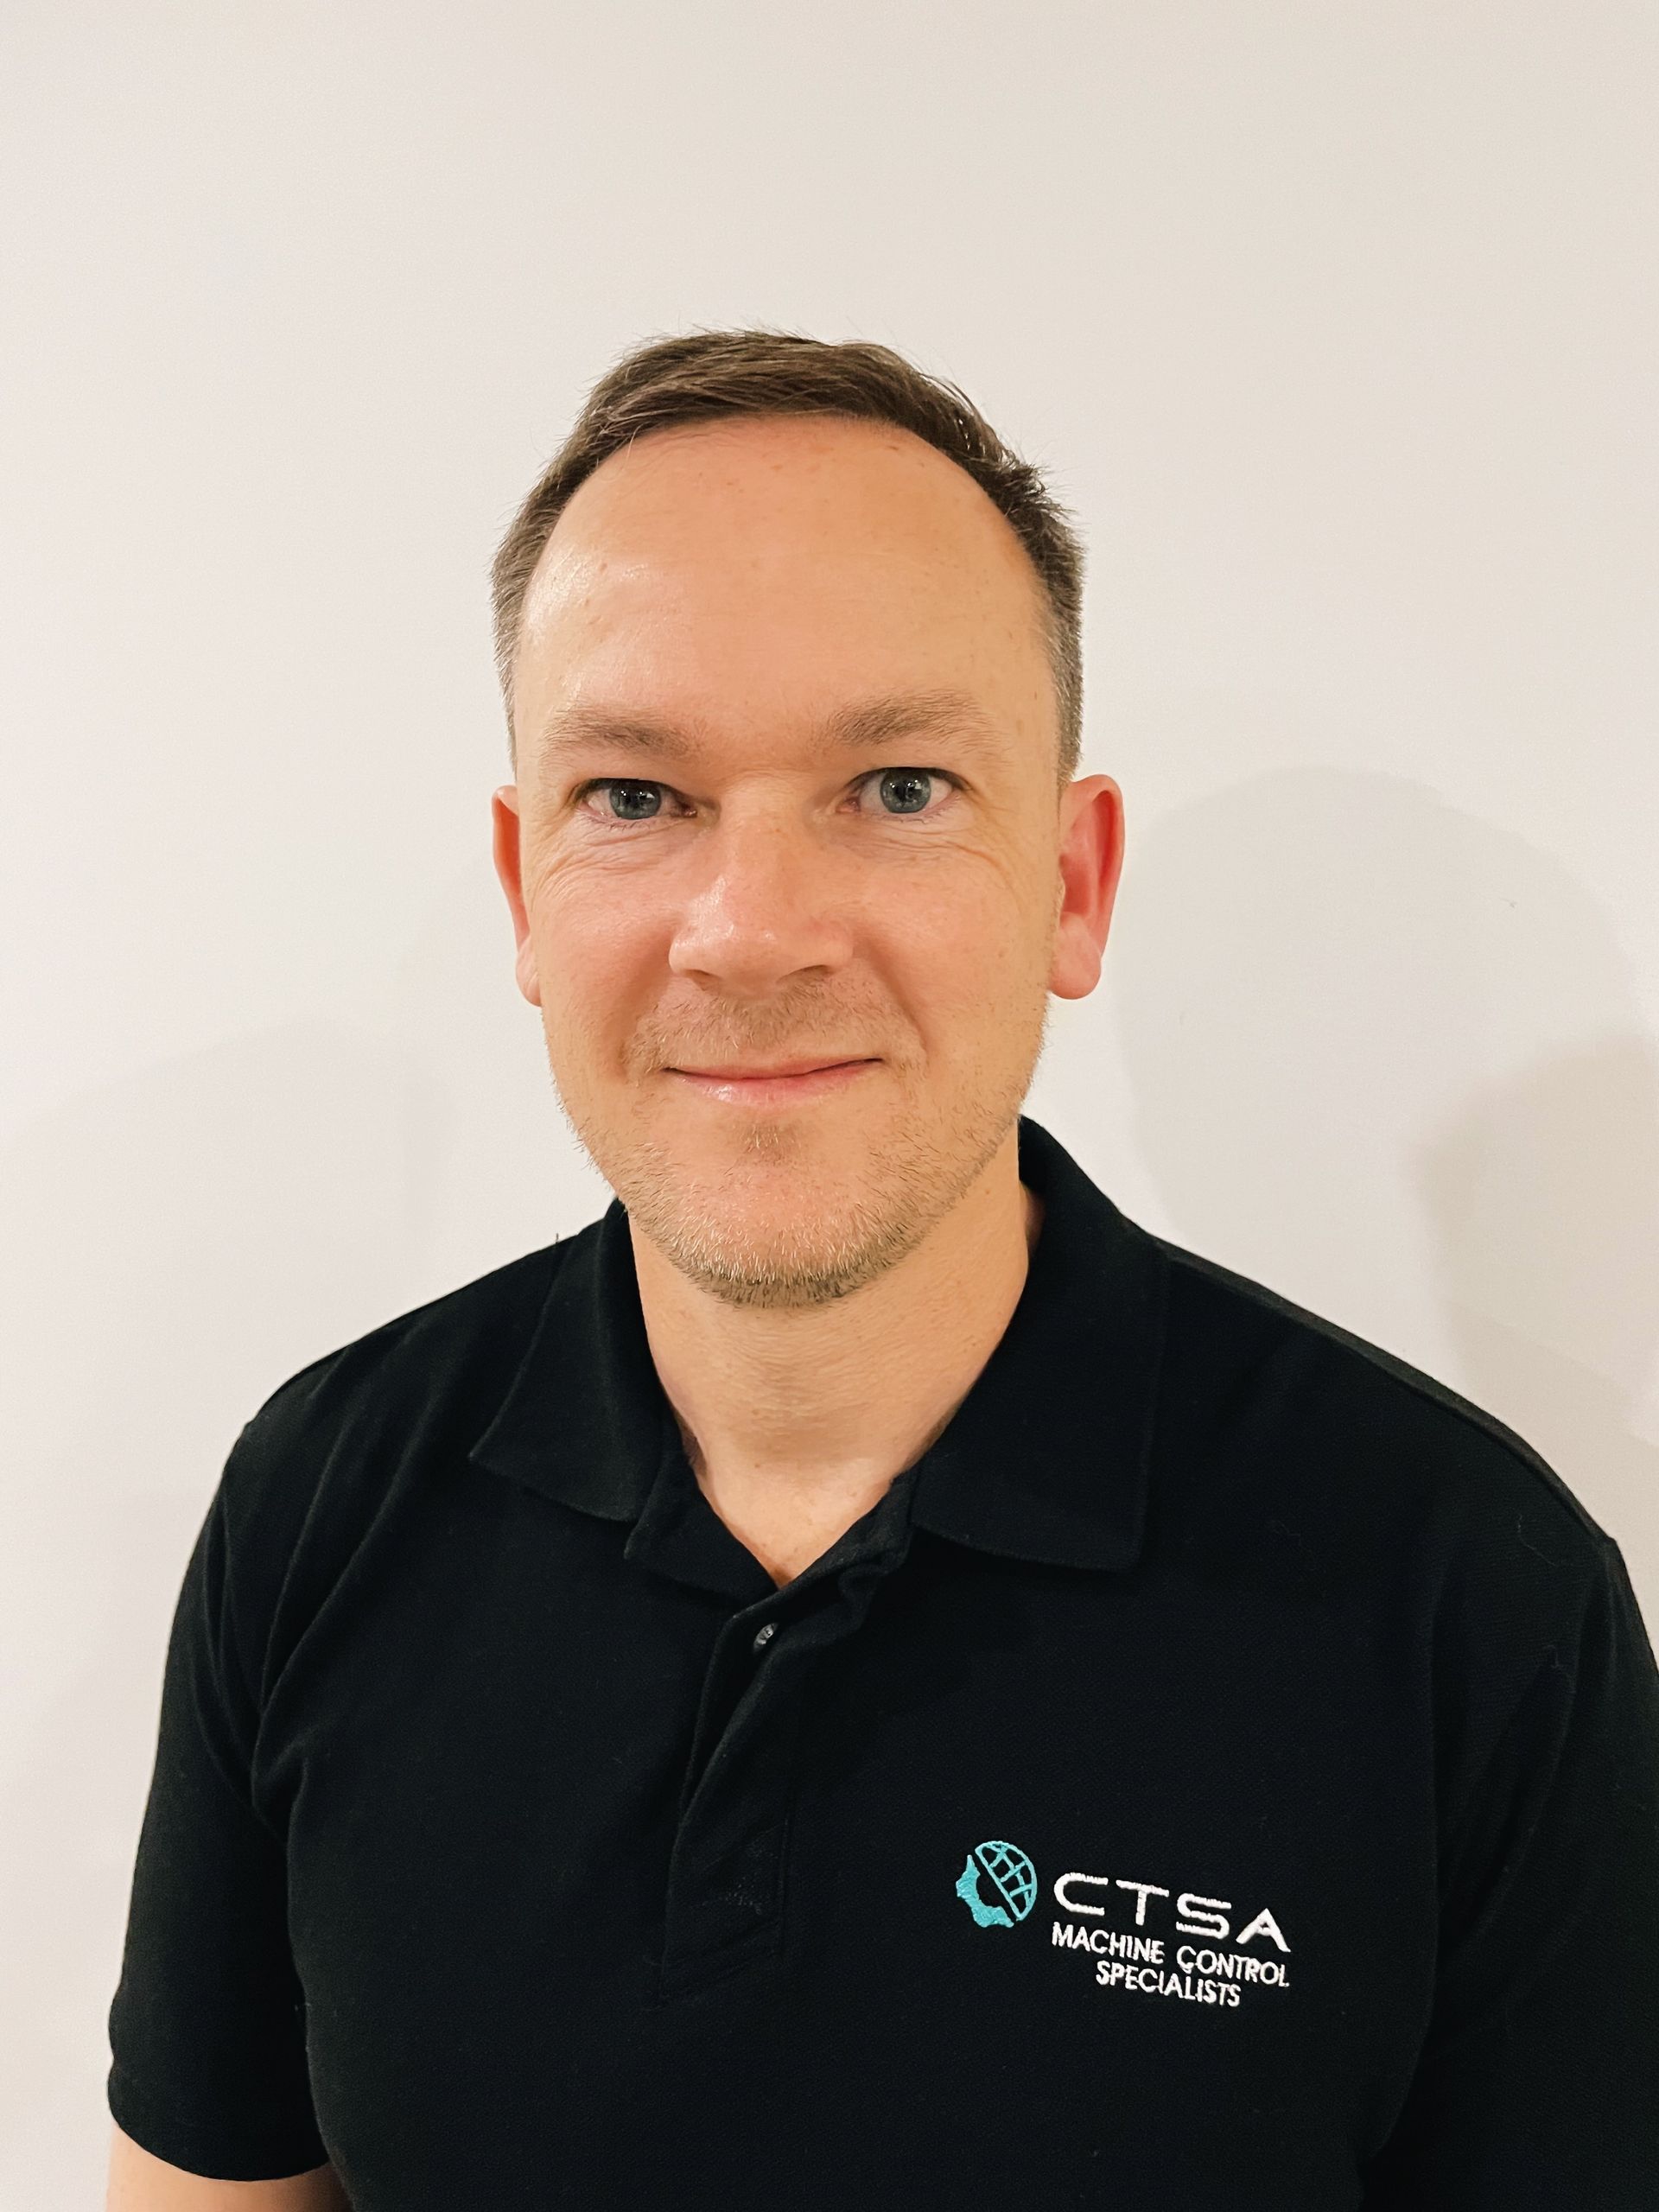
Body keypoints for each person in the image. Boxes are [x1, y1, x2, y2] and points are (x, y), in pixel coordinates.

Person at [105, 330, 1659, 2210]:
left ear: (1074, 884)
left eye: (901, 784)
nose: (751, 930)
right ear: (525, 888)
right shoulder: (321, 1499)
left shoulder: (1469, 1598)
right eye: (637, 795)